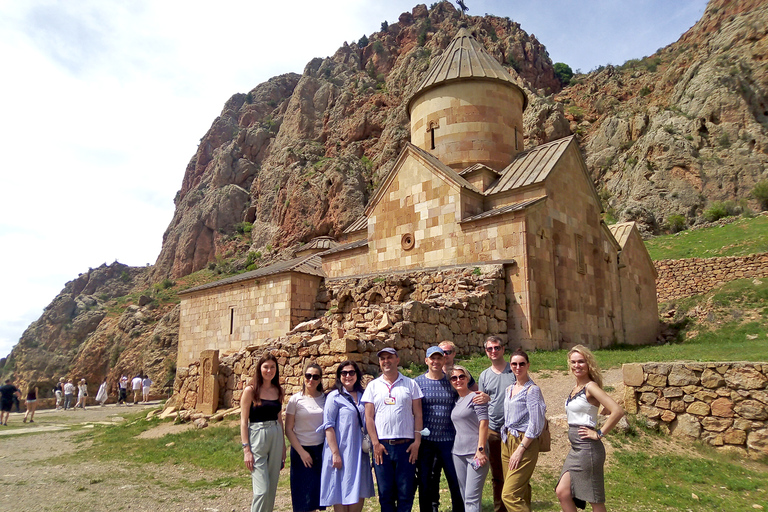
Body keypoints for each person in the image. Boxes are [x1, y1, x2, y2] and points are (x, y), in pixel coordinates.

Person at [556, 345, 624, 512]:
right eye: (573, 362)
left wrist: (599, 433)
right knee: (563, 492)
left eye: (581, 362)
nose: (576, 365)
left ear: (588, 364)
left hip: (588, 449)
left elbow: (617, 410)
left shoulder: (590, 386)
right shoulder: (576, 388)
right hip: (576, 449)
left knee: (594, 498)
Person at [363, 347, 424, 512]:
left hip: (406, 446)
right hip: (382, 447)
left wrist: (417, 442)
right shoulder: (373, 386)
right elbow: (369, 418)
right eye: (382, 358)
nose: (386, 361)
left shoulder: (411, 384)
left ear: (397, 360)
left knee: (406, 492)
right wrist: (375, 443)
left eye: (389, 357)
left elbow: (418, 415)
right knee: (385, 492)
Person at [318, 361, 375, 512]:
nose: (348, 376)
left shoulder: (364, 396)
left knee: (358, 489)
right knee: (340, 490)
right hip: (341, 451)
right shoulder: (334, 397)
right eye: (344, 373)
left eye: (351, 372)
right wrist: (335, 454)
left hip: (359, 452)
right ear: (339, 376)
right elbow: (328, 426)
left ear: (357, 375)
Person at [415, 346, 464, 512]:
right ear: (426, 360)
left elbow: (466, 395)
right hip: (426, 441)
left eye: (439, 358)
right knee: (426, 480)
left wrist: (482, 395)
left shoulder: (451, 380)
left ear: (444, 360)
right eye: (432, 358)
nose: (435, 362)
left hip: (449, 439)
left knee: (455, 480)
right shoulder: (417, 383)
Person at [500, 349, 546, 512]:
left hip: (524, 441)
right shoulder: (509, 389)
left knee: (509, 495)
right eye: (514, 364)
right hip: (506, 440)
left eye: (521, 364)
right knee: (519, 489)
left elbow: (536, 423)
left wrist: (521, 449)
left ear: (528, 366)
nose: (517, 367)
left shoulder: (532, 390)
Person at [240, 353, 286, 512]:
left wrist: (283, 447)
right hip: (257, 435)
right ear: (259, 369)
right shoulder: (250, 390)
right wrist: (246, 449)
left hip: (276, 434)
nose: (269, 370)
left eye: (273, 367)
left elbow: (280, 419)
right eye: (266, 367)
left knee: (272, 487)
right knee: (262, 490)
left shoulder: (279, 390)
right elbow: (243, 421)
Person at [477, 335, 516, 512]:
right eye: (489, 349)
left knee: (516, 474)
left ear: (503, 349)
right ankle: (500, 509)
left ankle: (520, 507)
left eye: (496, 348)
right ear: (486, 352)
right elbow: (481, 405)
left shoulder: (514, 370)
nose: (493, 351)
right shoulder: (484, 375)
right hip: (493, 431)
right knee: (497, 476)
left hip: (513, 430)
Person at [285, 363, 326, 512]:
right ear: (303, 377)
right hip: (300, 450)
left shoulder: (325, 398)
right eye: (308, 376)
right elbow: (288, 429)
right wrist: (302, 452)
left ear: (320, 379)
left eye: (315, 376)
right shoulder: (295, 400)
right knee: (302, 498)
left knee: (316, 496)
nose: (311, 380)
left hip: (320, 450)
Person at [449, 365, 490, 512]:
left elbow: (484, 423)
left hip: (475, 452)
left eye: (461, 376)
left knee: (472, 497)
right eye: (454, 378)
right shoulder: (456, 401)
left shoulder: (476, 397)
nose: (458, 380)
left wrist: (481, 449)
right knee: (465, 495)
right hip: (458, 453)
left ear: (467, 378)